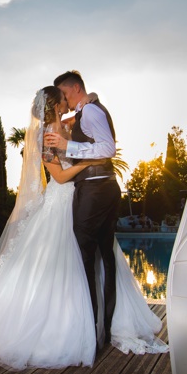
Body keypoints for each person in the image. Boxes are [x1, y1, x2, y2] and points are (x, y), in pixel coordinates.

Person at [0, 86, 167, 371]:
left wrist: (92, 99)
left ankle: (103, 319)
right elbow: (60, 175)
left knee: (95, 258)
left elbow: (84, 112)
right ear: (56, 104)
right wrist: (88, 162)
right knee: (65, 264)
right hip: (62, 199)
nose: (69, 101)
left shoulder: (67, 125)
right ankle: (67, 327)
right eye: (64, 98)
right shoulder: (45, 137)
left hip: (82, 200)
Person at [44, 70, 120, 346]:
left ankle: (95, 330)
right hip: (88, 189)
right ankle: (101, 328)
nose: (63, 100)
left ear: (74, 88)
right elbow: (63, 121)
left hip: (95, 189)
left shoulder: (89, 113)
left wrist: (69, 145)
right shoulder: (81, 113)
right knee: (99, 259)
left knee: (86, 260)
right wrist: (60, 124)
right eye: (59, 99)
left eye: (64, 94)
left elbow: (108, 148)